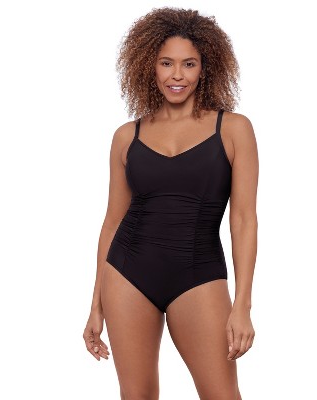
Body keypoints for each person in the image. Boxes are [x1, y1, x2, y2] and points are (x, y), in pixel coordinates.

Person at [83, 6, 259, 400]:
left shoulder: (233, 129)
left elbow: (244, 220)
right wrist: (96, 304)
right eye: (166, 63)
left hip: (198, 275)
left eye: (188, 64)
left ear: (205, 68)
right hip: (127, 274)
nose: (176, 75)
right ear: (149, 65)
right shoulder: (127, 136)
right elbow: (112, 222)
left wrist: (243, 305)